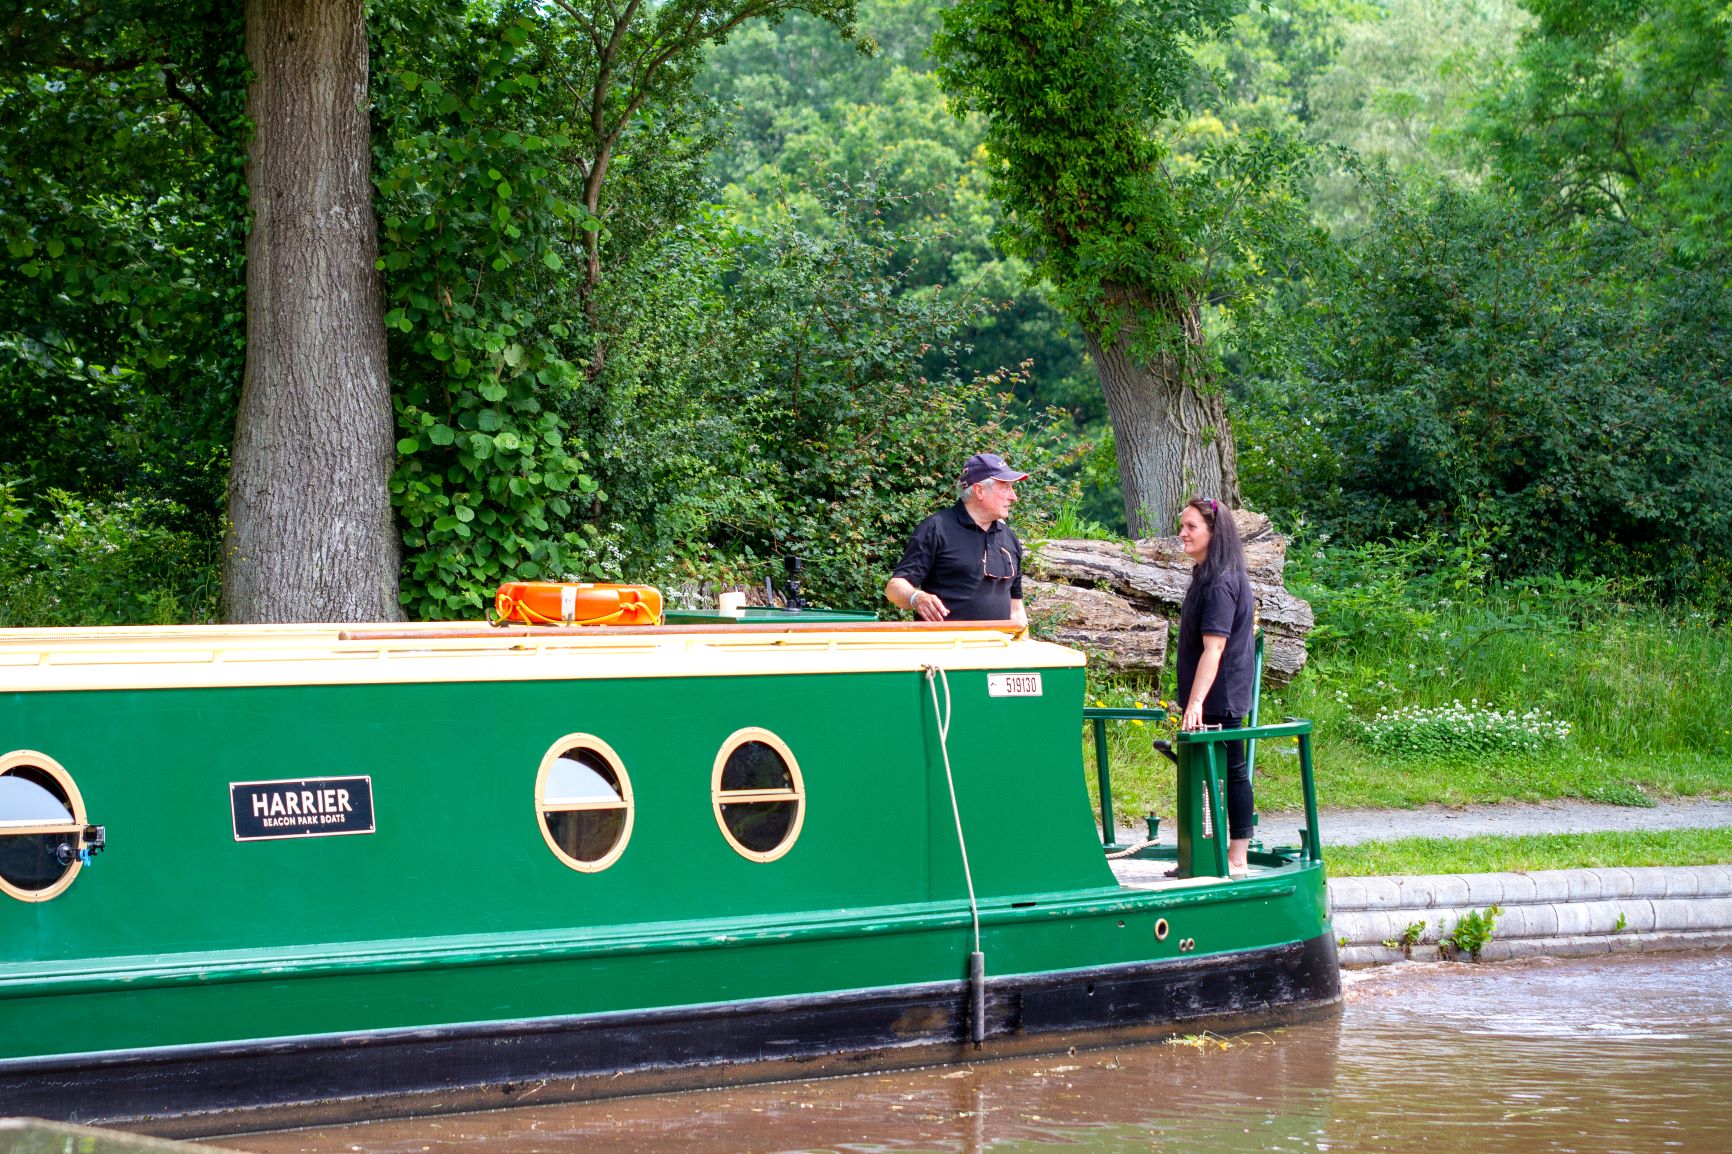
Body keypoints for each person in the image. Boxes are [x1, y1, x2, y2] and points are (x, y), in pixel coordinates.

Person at [1174, 497, 1257, 875]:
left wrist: (1194, 704)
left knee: (1233, 769)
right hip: (1212, 692)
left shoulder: (1222, 580)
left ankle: (1237, 855)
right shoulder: (1206, 574)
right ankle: (1204, 855)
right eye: (1183, 525)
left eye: (1191, 526)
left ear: (1213, 532)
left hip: (1220, 694)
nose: (1183, 533)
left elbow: (1215, 647)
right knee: (1205, 770)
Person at [885, 453, 1029, 625]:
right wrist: (916, 597)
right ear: (979, 490)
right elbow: (894, 588)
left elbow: (1016, 607)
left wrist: (1022, 643)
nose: (1013, 497)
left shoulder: (1008, 536)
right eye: (1005, 487)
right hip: (945, 647)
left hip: (997, 647)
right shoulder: (937, 528)